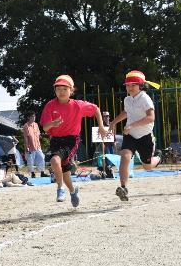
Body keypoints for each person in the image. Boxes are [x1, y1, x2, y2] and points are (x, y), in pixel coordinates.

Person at [40, 75, 108, 208]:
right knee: (65, 173)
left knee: (54, 161)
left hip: (70, 140)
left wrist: (101, 126)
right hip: (55, 140)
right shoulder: (50, 105)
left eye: (64, 89)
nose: (61, 91)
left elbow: (96, 109)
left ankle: (60, 189)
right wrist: (53, 123)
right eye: (58, 89)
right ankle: (72, 191)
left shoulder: (78, 105)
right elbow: (45, 127)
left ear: (71, 90)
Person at [108, 71, 162, 201]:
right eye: (127, 85)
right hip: (130, 135)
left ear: (140, 86)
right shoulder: (127, 99)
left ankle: (159, 157)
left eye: (133, 85)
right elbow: (126, 112)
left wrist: (132, 125)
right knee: (124, 157)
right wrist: (114, 122)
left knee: (147, 167)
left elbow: (151, 117)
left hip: (145, 137)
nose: (129, 88)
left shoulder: (145, 98)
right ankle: (123, 188)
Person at [22, 112, 48, 178]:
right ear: (28, 117)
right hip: (30, 147)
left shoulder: (36, 125)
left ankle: (42, 172)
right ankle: (32, 174)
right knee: (30, 161)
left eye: (34, 116)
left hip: (37, 146)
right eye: (32, 116)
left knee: (42, 158)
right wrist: (26, 147)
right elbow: (25, 138)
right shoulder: (26, 126)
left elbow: (38, 135)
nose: (34, 118)